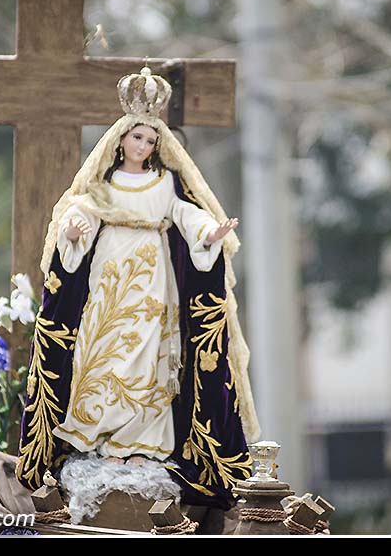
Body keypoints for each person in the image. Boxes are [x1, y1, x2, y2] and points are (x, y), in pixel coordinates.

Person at [16, 66, 260, 509]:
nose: (143, 146)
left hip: (152, 278)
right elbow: (83, 211)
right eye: (137, 138)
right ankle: (102, 436)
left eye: (150, 140)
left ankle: (142, 444)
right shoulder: (104, 184)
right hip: (110, 272)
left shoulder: (164, 183)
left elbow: (186, 214)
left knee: (148, 355)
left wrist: (209, 232)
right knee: (105, 348)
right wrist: (72, 230)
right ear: (121, 139)